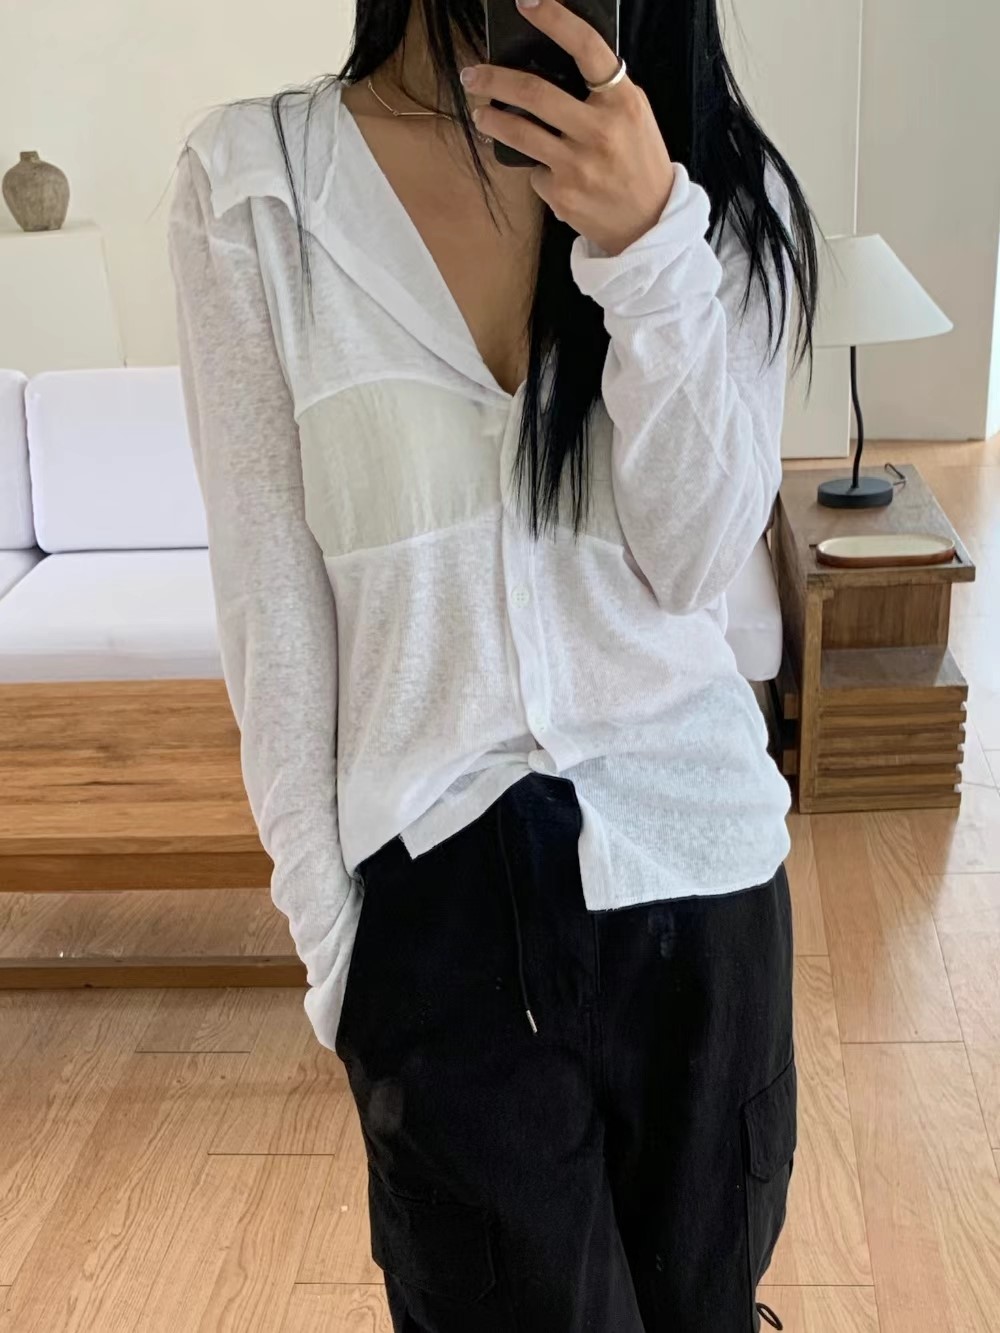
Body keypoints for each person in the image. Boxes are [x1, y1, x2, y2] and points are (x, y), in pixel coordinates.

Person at [168, 1, 818, 1328]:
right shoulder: (257, 186)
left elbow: (698, 562)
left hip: (702, 891)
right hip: (439, 920)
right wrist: (339, 953)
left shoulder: (711, 186)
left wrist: (648, 245)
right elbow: (272, 610)